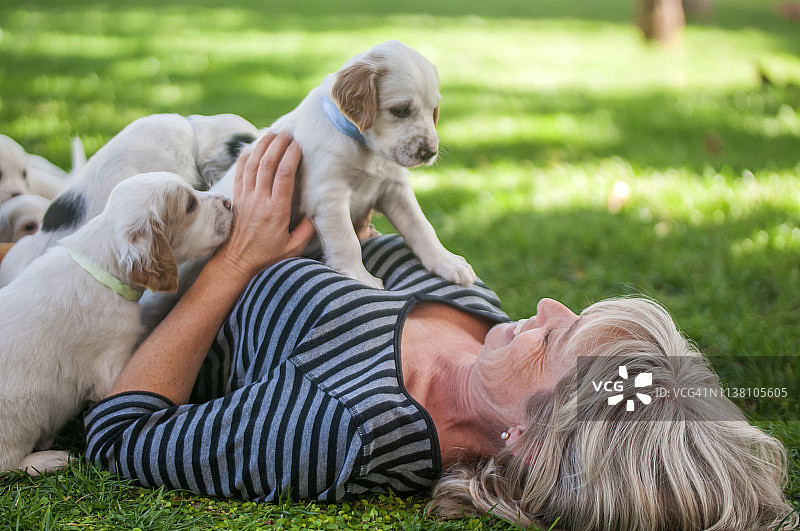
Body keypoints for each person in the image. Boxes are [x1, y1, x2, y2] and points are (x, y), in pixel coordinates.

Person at [85, 133, 798, 530]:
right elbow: (366, 247)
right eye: (575, 316)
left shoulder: (343, 426)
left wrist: (236, 262)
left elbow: (121, 432)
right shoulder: (485, 321)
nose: (547, 306)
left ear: (531, 440)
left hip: (137, 270)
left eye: (555, 340)